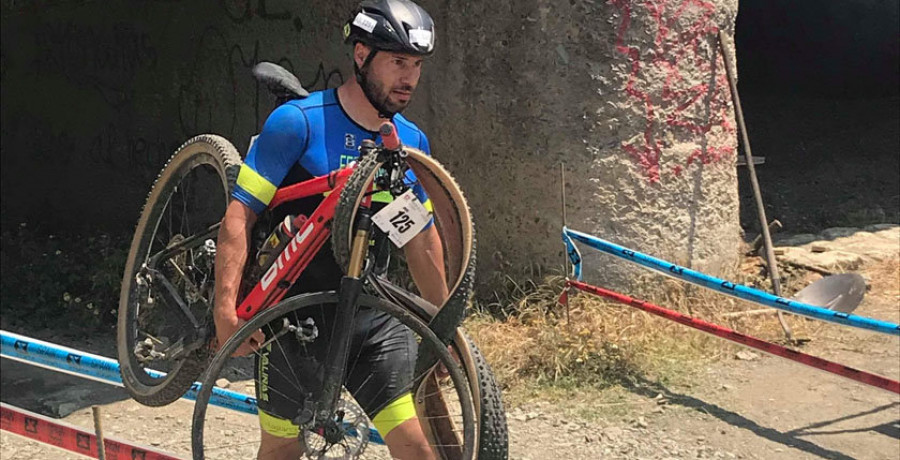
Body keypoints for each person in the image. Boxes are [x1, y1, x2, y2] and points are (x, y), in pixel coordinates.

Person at [212, 1, 448, 458]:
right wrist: (225, 309)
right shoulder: (298, 123)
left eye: (416, 65)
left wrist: (445, 328)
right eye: (398, 62)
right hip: (293, 322)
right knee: (283, 449)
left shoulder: (410, 142)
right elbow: (240, 217)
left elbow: (418, 238)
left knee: (418, 450)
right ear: (361, 55)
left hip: (371, 319)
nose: (410, 78)